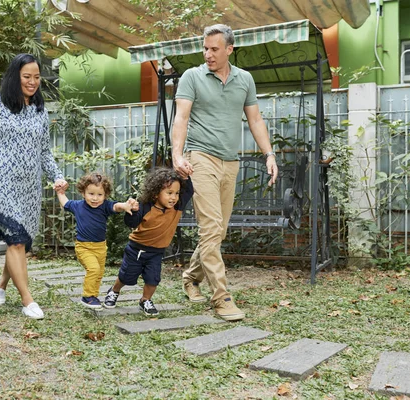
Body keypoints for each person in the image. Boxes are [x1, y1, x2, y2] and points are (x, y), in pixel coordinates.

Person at [172, 24, 279, 321]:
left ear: (229, 49)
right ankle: (221, 297)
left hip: (230, 162)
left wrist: (269, 153)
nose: (208, 54)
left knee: (217, 231)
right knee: (210, 228)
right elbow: (181, 117)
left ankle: (191, 277)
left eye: (214, 49)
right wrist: (177, 154)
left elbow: (255, 119)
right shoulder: (192, 77)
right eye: (205, 48)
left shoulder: (244, 79)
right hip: (200, 158)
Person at [0, 53, 68, 320]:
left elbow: (44, 152)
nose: (32, 82)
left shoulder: (40, 111)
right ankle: (28, 300)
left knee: (19, 242)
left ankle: (1, 283)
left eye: (37, 77)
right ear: (14, 77)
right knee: (17, 241)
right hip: (0, 183)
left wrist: (57, 176)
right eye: (26, 77)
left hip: (29, 187)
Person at [103, 167, 194, 316]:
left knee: (153, 278)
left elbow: (189, 191)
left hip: (157, 251)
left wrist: (185, 175)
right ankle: (114, 291)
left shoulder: (177, 206)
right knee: (126, 275)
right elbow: (131, 223)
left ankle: (145, 300)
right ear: (156, 192)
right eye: (169, 193)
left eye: (176, 193)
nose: (174, 197)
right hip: (136, 249)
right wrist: (132, 211)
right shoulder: (145, 206)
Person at [55, 172, 138, 309]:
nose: (95, 198)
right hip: (84, 247)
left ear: (105, 195)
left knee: (99, 273)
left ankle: (93, 296)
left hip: (100, 247)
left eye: (99, 195)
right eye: (91, 194)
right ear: (83, 193)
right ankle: (87, 296)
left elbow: (116, 206)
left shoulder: (104, 206)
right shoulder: (78, 206)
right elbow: (65, 203)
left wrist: (125, 206)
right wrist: (60, 192)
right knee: (93, 269)